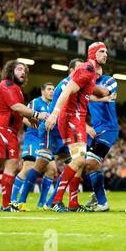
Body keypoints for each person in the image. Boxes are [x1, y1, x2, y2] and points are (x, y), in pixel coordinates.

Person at [45, 42, 109, 212]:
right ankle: (55, 201)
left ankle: (73, 203)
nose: (105, 54)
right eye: (102, 51)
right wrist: (55, 113)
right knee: (79, 160)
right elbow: (66, 92)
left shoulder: (92, 72)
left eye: (106, 52)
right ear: (93, 53)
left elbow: (86, 95)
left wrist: (102, 95)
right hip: (70, 117)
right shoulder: (86, 69)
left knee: (79, 163)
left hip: (77, 118)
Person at [0, 60, 48, 211]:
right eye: (19, 69)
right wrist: (37, 114)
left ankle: (5, 205)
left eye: (24, 70)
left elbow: (18, 112)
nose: (22, 72)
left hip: (9, 132)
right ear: (11, 71)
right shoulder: (7, 85)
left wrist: (31, 119)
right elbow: (16, 107)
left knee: (11, 166)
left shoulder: (16, 89)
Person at [20, 59, 82, 212]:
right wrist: (54, 115)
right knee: (40, 164)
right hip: (51, 129)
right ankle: (19, 201)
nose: (83, 71)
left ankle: (54, 201)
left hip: (65, 131)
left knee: (76, 163)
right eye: (79, 68)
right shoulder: (66, 84)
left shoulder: (79, 85)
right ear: (71, 70)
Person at [10, 82, 55, 208]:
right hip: (33, 138)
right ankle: (13, 199)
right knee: (28, 167)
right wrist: (33, 124)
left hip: (46, 140)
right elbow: (23, 116)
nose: (52, 91)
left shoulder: (53, 105)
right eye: (49, 89)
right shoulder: (35, 103)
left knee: (52, 170)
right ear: (42, 91)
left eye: (53, 89)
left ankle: (42, 203)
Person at [83, 69, 119, 212]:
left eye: (98, 67)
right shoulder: (84, 85)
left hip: (108, 128)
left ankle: (102, 202)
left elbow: (104, 93)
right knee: (78, 163)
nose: (96, 70)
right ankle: (54, 202)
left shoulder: (110, 80)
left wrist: (85, 83)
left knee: (91, 161)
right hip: (93, 129)